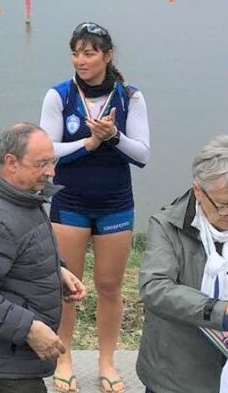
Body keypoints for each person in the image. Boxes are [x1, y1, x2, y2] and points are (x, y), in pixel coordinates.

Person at [39, 22, 150, 392]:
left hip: (116, 204)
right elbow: (47, 150)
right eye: (76, 52)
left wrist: (114, 136)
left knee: (108, 286)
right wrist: (88, 143)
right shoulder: (59, 95)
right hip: (69, 201)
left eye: (89, 53)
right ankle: (64, 356)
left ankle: (106, 361)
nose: (80, 60)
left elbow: (143, 154)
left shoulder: (130, 97)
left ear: (107, 55)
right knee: (68, 286)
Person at [0, 123, 86, 393]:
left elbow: (16, 252)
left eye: (52, 161)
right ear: (11, 163)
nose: (51, 171)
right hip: (2, 359)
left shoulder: (20, 197)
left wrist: (56, 271)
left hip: (11, 354)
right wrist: (29, 329)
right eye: (42, 164)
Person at [137, 134, 228, 393]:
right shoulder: (166, 226)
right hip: (174, 376)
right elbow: (155, 288)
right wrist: (224, 313)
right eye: (225, 205)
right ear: (198, 191)